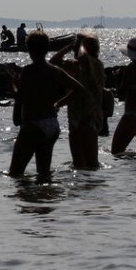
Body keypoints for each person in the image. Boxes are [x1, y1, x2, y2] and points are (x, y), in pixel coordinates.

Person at [9, 31, 84, 177]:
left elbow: (19, 97)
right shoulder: (55, 70)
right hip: (52, 125)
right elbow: (79, 89)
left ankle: (23, 199)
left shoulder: (28, 71)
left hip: (33, 124)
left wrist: (12, 83)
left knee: (15, 174)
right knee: (44, 174)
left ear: (29, 49)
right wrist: (58, 104)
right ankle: (45, 195)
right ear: (46, 48)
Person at [49, 33, 104, 169]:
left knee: (91, 164)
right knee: (78, 164)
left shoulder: (94, 64)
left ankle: (90, 187)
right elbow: (52, 63)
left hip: (89, 115)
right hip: (74, 116)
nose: (75, 51)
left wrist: (80, 45)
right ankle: (80, 187)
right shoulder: (74, 65)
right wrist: (68, 47)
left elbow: (84, 58)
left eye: (77, 48)